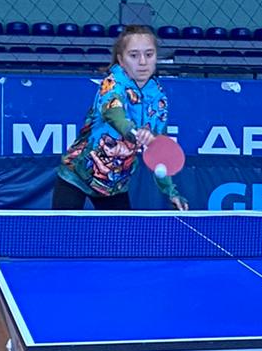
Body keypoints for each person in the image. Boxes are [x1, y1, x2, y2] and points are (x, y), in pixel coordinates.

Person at [51, 25, 188, 212]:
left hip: (114, 187)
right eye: (134, 55)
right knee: (62, 230)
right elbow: (114, 115)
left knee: (122, 232)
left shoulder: (159, 100)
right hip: (76, 176)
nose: (142, 62)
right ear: (121, 60)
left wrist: (171, 192)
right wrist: (133, 133)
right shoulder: (112, 84)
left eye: (149, 54)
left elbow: (159, 152)